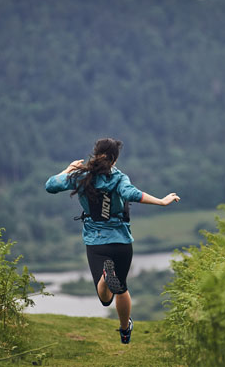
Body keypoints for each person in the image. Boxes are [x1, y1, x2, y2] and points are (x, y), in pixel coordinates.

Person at [45, 138, 180, 344]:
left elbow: (50, 186)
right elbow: (131, 194)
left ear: (94, 153)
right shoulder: (119, 177)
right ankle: (125, 329)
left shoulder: (80, 175)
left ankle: (105, 276)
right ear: (114, 159)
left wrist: (68, 169)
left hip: (97, 242)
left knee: (105, 298)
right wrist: (161, 201)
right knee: (121, 288)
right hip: (122, 242)